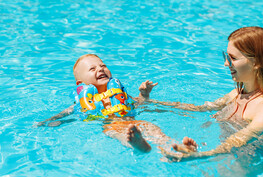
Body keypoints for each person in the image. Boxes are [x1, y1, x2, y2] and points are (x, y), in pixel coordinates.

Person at [146, 26, 263, 161]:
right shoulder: (235, 94)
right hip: (219, 153)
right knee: (148, 129)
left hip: (245, 163)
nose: (225, 64)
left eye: (233, 58)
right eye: (226, 56)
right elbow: (198, 109)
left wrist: (200, 155)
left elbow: (239, 140)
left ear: (257, 62)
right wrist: (148, 101)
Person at [37, 54, 172, 153]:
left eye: (103, 66)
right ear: (80, 83)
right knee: (121, 134)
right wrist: (49, 121)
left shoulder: (120, 94)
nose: (100, 70)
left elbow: (140, 104)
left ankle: (174, 149)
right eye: (92, 69)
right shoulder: (84, 102)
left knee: (152, 128)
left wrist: (144, 94)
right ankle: (137, 145)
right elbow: (64, 115)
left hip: (134, 123)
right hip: (111, 126)